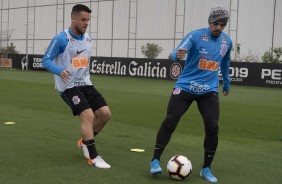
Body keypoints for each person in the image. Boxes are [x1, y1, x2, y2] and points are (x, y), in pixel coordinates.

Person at [150, 5, 232, 182]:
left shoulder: (227, 42)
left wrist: (227, 82)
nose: (218, 28)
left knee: (212, 127)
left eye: (222, 25)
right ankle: (155, 161)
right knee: (170, 121)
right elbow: (175, 52)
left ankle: (206, 169)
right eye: (216, 24)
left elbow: (225, 63)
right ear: (210, 22)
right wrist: (177, 55)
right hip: (186, 86)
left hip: (209, 91)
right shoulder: (195, 35)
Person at [42, 4, 111, 169]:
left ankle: (86, 142)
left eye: (88, 20)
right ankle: (93, 157)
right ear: (73, 18)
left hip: (86, 83)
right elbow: (46, 60)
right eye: (83, 19)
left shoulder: (88, 38)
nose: (86, 23)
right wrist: (59, 71)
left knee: (105, 114)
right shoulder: (61, 39)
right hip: (68, 86)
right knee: (88, 116)